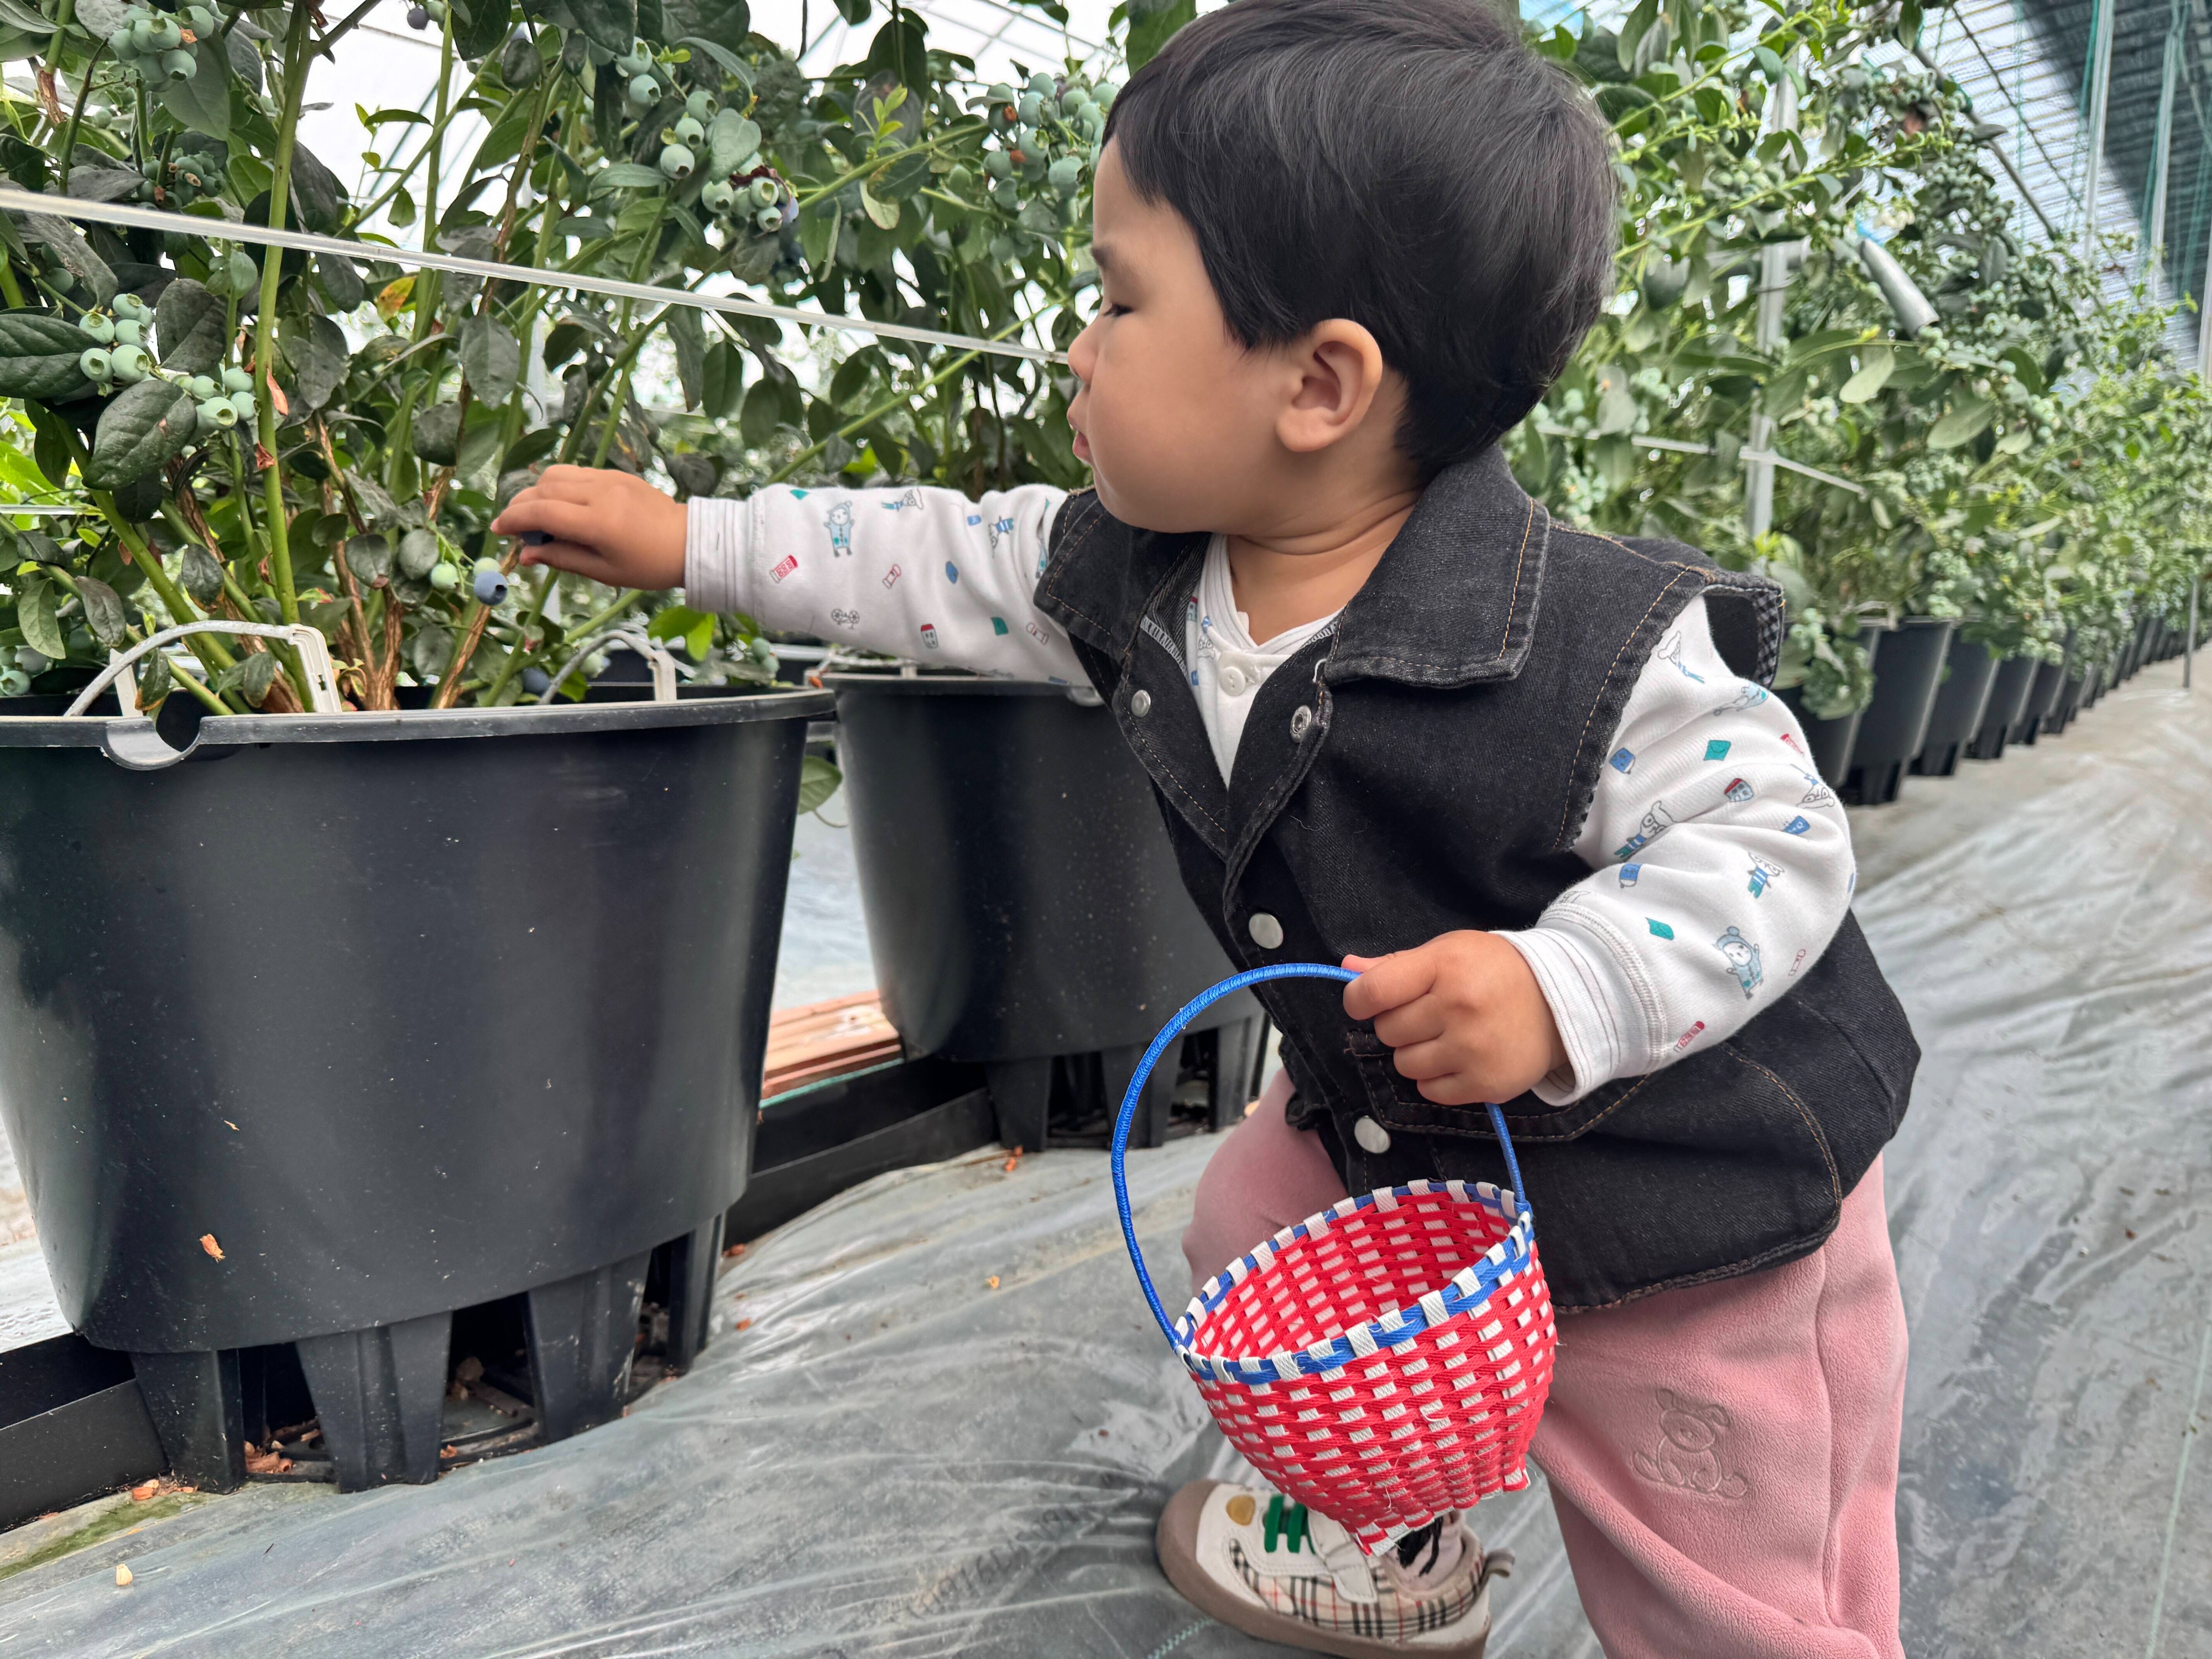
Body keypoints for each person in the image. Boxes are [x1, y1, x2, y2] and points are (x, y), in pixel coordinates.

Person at [493, 3, 1917, 1653]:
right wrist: (696, 540)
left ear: (1318, 383)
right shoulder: (1148, 579)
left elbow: (1777, 838)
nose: (1078, 348)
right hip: (1409, 1137)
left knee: (1729, 1592)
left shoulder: (1590, 644)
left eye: (1118, 298)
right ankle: (1394, 1539)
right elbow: (932, 560)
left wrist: (1566, 985)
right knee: (1249, 1218)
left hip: (1695, 1210)